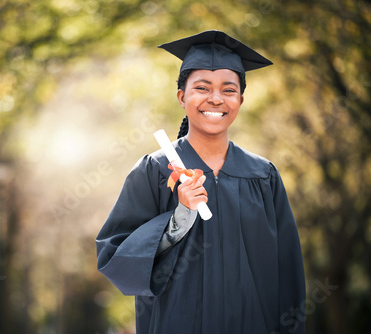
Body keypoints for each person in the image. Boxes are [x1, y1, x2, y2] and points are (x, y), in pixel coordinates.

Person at [96, 30, 306, 334]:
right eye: (202, 87)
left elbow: (288, 272)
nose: (216, 98)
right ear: (182, 97)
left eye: (228, 90)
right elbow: (115, 256)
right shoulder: (155, 171)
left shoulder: (263, 175)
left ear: (241, 100)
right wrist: (178, 219)